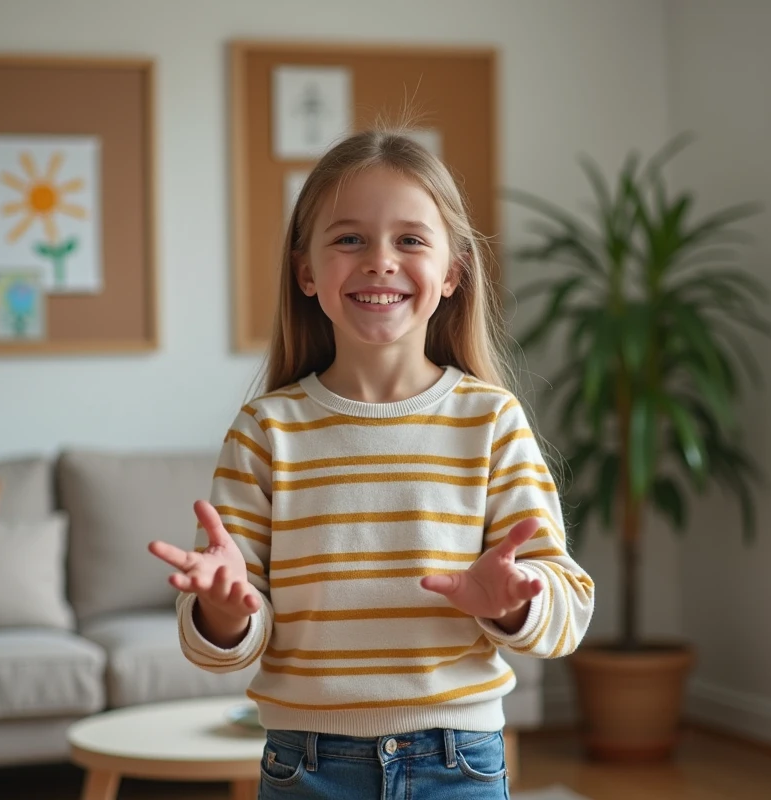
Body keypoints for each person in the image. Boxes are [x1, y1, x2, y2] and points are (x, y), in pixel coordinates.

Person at [149, 126, 594, 799]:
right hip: (305, 766)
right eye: (349, 238)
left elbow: (568, 608)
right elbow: (225, 640)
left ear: (452, 272)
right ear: (306, 271)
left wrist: (510, 608)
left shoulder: (491, 422)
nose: (380, 260)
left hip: (459, 761)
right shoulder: (266, 432)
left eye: (410, 240)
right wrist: (222, 610)